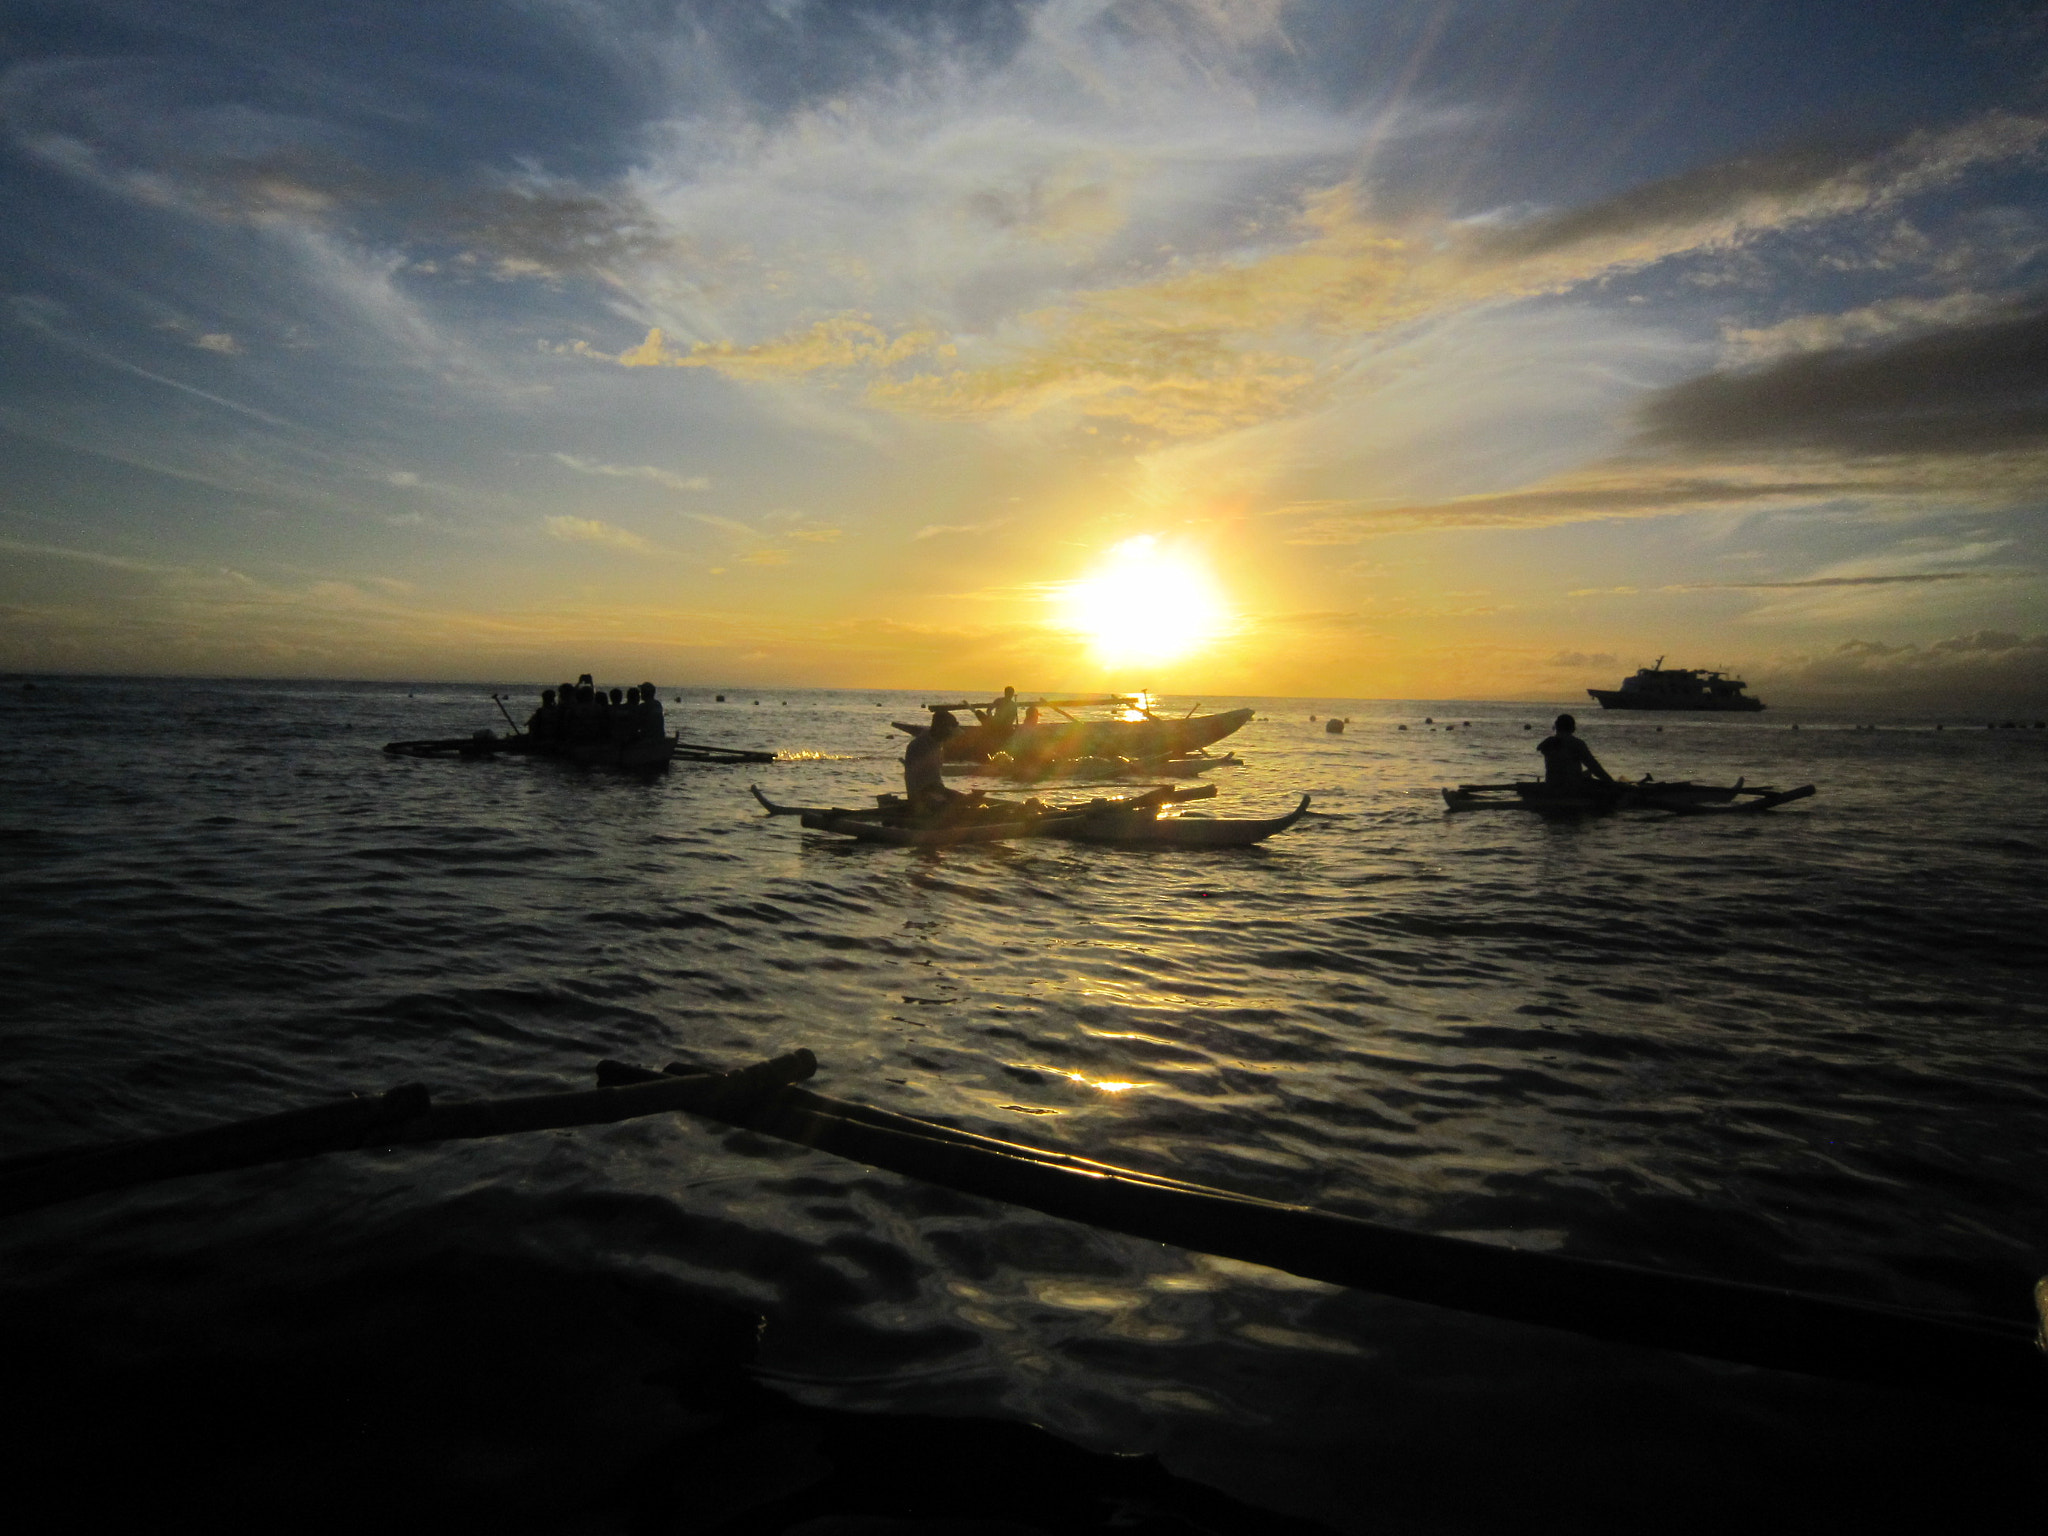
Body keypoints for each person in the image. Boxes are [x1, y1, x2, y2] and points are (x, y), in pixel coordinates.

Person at [904, 710, 975, 816]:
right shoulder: (920, 747)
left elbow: (936, 784)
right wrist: (957, 796)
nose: (951, 737)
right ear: (940, 728)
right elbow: (928, 786)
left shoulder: (937, 745)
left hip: (935, 797)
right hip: (921, 801)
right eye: (949, 733)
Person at [1538, 713, 1614, 785]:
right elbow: (1593, 766)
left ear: (1556, 727)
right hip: (1572, 785)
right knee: (1589, 774)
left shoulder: (1548, 743)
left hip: (1552, 783)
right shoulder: (1576, 743)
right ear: (1572, 728)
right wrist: (1611, 781)